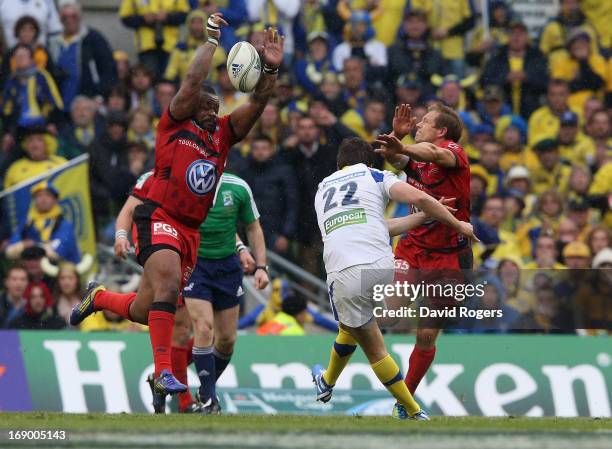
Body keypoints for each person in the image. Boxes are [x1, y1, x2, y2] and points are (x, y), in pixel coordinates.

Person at [70, 14, 283, 404]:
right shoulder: (173, 125)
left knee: (145, 307)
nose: (211, 108)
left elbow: (259, 100)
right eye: (206, 103)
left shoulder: (222, 136)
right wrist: (212, 42)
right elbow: (191, 83)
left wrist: (268, 68)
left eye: (216, 105)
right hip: (158, 216)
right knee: (168, 284)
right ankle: (165, 373)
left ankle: (99, 297)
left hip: (191, 232)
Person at [310, 136, 477, 420]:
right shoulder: (376, 175)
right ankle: (326, 381)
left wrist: (453, 222)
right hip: (381, 265)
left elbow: (419, 201)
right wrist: (437, 216)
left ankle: (412, 411)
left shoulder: (322, 188)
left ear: (340, 162)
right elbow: (410, 206)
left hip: (341, 271)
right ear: (369, 160)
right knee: (353, 324)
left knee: (373, 346)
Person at [374, 103, 473, 404]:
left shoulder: (453, 151)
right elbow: (393, 157)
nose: (419, 124)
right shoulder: (417, 158)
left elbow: (434, 154)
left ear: (441, 131)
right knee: (389, 314)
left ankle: (405, 401)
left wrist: (404, 145)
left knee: (426, 336)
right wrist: (396, 136)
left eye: (426, 121)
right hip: (413, 248)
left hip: (448, 259)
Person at [47, 2, 117, 111]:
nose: (69, 20)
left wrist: (100, 96)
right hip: (60, 104)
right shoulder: (52, 42)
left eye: (73, 16)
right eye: (65, 17)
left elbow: (109, 70)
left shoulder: (94, 39)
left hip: (88, 103)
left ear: (80, 17)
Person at [5, 181, 81, 264]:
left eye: (48, 195)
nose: (43, 199)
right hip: (34, 271)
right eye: (39, 195)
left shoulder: (64, 224)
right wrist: (24, 245)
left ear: (55, 200)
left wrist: (30, 245)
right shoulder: (27, 223)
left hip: (60, 272)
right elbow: (10, 250)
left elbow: (57, 252)